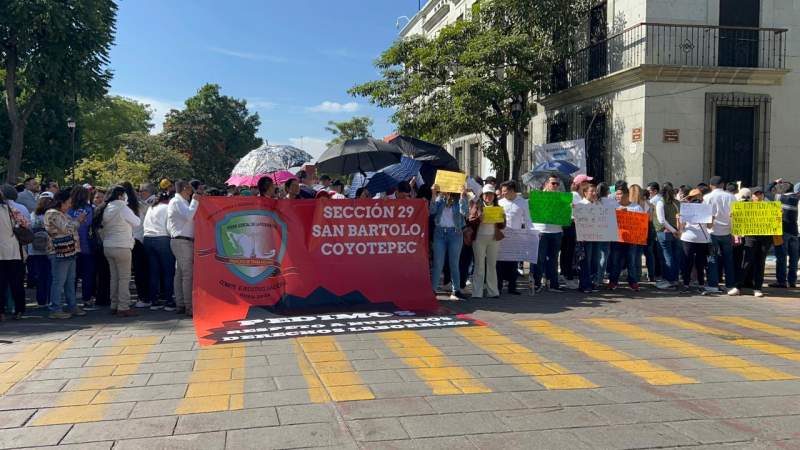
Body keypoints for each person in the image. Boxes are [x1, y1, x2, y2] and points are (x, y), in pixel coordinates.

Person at [97, 185, 141, 316]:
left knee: (114, 277)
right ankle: (123, 306)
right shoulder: (122, 207)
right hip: (122, 246)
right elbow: (137, 222)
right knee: (124, 278)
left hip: (108, 246)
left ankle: (114, 304)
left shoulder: (106, 208)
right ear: (121, 196)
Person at [45, 189, 86, 319]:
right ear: (61, 202)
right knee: (59, 281)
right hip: (58, 252)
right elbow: (67, 229)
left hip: (70, 251)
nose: (70, 205)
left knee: (70, 281)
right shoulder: (52, 213)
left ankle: (72, 306)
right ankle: (55, 309)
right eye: (68, 202)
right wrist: (78, 221)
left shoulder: (64, 214)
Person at [429, 184, 469, 300]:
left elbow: (465, 213)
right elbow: (432, 211)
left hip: (455, 233)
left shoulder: (460, 198)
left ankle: (456, 290)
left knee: (454, 263)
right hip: (440, 233)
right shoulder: (439, 199)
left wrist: (462, 196)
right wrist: (433, 194)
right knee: (438, 263)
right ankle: (433, 290)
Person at [468, 184, 506, 298]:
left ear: (494, 196)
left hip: (493, 239)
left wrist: (501, 218)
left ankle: (493, 292)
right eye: (486, 194)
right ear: (482, 195)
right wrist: (479, 219)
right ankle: (477, 292)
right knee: (479, 265)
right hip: (479, 239)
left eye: (490, 194)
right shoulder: (477, 206)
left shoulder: (498, 208)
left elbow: (502, 226)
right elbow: (470, 221)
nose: (488, 196)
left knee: (492, 265)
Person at [167, 180, 199, 316]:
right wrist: (195, 201)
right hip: (182, 241)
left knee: (180, 274)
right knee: (187, 274)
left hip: (180, 240)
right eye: (190, 189)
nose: (192, 192)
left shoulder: (180, 202)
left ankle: (181, 304)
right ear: (185, 188)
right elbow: (189, 216)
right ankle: (188, 306)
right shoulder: (177, 202)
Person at [704, 176, 739, 295]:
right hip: (727, 231)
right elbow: (735, 215)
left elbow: (705, 215)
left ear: (710, 185)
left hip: (712, 231)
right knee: (728, 259)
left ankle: (713, 284)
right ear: (723, 185)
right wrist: (735, 232)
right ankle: (730, 284)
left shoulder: (707, 197)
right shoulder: (731, 197)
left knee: (712, 259)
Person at [737, 187, 772, 297]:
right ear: (752, 196)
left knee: (760, 263)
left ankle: (757, 288)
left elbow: (775, 220)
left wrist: (779, 214)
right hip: (751, 237)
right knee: (746, 261)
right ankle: (738, 286)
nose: (758, 196)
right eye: (756, 194)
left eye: (760, 194)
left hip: (765, 237)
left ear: (763, 195)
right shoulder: (746, 207)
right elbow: (739, 219)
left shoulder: (769, 206)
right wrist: (734, 215)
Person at [143, 190, 175, 311]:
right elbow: (169, 226)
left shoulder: (151, 208)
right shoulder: (167, 208)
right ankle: (169, 301)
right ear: (168, 200)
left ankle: (154, 301)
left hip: (147, 239)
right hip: (162, 239)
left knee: (154, 272)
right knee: (168, 272)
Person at [497, 180, 532, 294]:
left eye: (505, 191)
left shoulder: (523, 202)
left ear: (512, 191)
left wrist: (531, 233)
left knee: (513, 263)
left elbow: (527, 219)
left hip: (515, 237)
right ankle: (498, 287)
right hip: (502, 236)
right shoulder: (499, 202)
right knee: (500, 263)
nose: (502, 193)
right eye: (502, 191)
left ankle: (512, 287)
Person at [609, 184, 645, 291]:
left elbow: (641, 223)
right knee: (615, 261)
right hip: (617, 239)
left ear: (627, 195)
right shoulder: (613, 206)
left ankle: (633, 282)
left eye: (619, 194)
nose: (617, 196)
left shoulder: (636, 207)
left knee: (631, 261)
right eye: (616, 194)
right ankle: (613, 281)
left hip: (631, 240)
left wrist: (628, 213)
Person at [533, 174, 565, 292]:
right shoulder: (538, 196)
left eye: (557, 184)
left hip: (557, 232)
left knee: (554, 259)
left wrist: (569, 207)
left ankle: (553, 284)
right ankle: (537, 283)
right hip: (542, 231)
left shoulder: (562, 198)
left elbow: (565, 214)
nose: (555, 185)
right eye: (553, 183)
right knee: (540, 259)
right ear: (546, 184)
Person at [0, 188, 28, 320]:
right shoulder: (11, 209)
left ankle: (1, 312)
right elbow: (25, 223)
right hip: (13, 250)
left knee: (1, 284)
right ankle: (19, 310)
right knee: (16, 283)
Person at [122, 182, 150, 308]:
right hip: (139, 239)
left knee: (127, 272)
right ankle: (143, 296)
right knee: (141, 271)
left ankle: (134, 298)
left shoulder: (123, 207)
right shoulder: (140, 205)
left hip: (128, 240)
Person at [678, 188, 711, 293]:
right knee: (696, 263)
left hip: (692, 238)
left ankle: (690, 285)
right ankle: (696, 285)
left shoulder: (704, 208)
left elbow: (681, 227)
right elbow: (710, 226)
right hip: (697, 238)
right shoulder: (704, 207)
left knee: (692, 263)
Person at [68, 185, 96, 308]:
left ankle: (71, 300)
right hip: (86, 245)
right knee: (87, 274)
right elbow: (91, 224)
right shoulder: (89, 209)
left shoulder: (68, 209)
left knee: (72, 275)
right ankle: (87, 298)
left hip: (71, 245)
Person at [768, 180, 798, 289]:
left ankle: (781, 281)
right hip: (794, 232)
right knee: (794, 258)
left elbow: (766, 192)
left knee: (781, 257)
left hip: (782, 232)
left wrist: (774, 182)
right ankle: (792, 281)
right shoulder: (797, 199)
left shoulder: (779, 198)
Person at [577, 183, 604, 293]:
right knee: (586, 261)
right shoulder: (580, 205)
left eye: (595, 191)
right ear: (585, 193)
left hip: (596, 237)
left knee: (595, 260)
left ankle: (592, 283)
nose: (594, 193)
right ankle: (584, 285)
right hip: (585, 239)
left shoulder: (598, 205)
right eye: (591, 191)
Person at [654, 182, 681, 289]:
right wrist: (677, 231)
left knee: (667, 257)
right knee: (674, 256)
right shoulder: (677, 202)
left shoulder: (661, 202)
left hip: (665, 232)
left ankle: (669, 280)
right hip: (676, 232)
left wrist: (673, 230)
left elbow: (661, 220)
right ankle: (675, 279)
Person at [29, 196, 53, 306]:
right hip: (49, 249)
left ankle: (41, 300)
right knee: (50, 276)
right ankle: (50, 299)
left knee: (40, 276)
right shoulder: (51, 216)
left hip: (36, 250)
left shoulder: (33, 216)